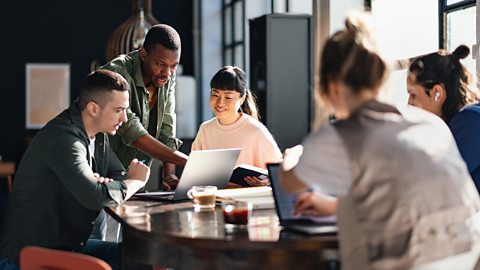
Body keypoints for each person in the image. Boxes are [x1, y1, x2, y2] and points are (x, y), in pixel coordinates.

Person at [279, 13, 480, 269]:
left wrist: (292, 156)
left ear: (332, 86)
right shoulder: (431, 124)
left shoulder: (342, 134)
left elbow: (289, 183)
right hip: (464, 258)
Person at [0, 70, 150, 270]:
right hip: (30, 257)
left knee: (140, 259)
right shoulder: (64, 139)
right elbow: (97, 196)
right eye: (118, 110)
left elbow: (118, 175)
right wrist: (136, 181)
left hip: (68, 246)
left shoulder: (99, 136)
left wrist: (108, 185)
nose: (124, 118)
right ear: (93, 109)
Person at [101, 24, 188, 191]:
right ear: (143, 54)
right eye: (161, 64)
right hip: (100, 175)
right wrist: (189, 163)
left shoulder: (167, 77)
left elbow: (166, 129)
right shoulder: (117, 72)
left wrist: (170, 176)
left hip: (134, 183)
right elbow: (132, 131)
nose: (167, 73)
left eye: (173, 65)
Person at [192, 66, 282, 186]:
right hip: (213, 199)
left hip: (247, 200)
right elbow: (193, 174)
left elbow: (279, 173)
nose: (220, 102)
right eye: (215, 95)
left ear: (242, 98)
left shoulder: (256, 131)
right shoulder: (205, 129)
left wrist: (265, 182)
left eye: (228, 97)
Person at [407, 45, 480, 192]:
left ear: (437, 93)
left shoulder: (470, 121)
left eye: (413, 94)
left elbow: (431, 186)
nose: (409, 103)